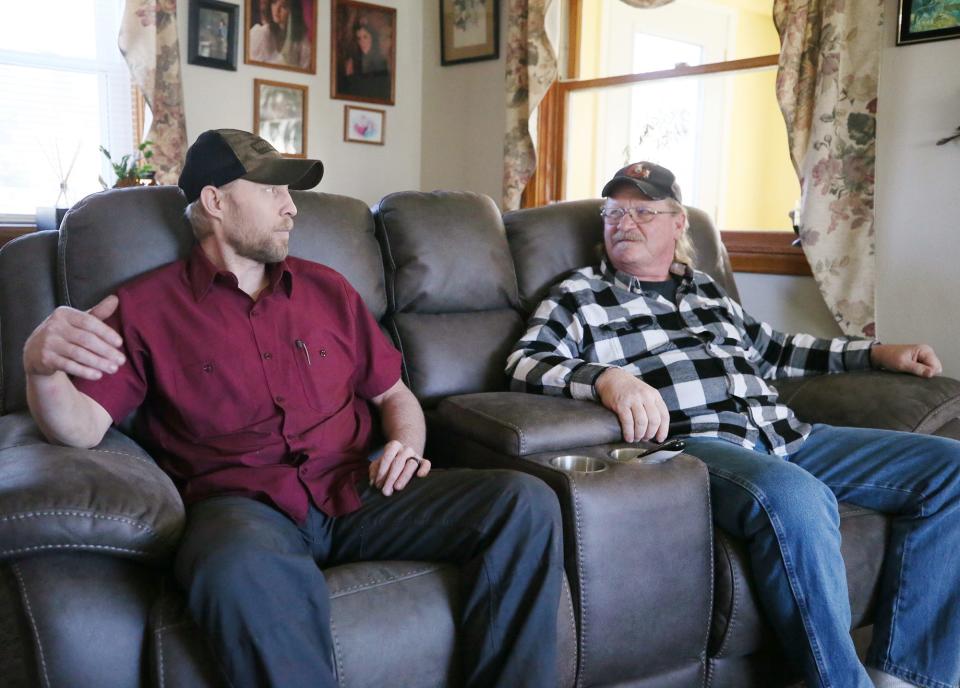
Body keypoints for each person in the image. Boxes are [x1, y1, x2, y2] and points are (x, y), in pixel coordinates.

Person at [23, 129, 563, 688]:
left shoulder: (329, 290)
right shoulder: (144, 309)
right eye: (273, 190)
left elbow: (394, 394)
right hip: (243, 508)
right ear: (215, 202)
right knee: (233, 569)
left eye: (290, 192)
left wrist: (407, 443)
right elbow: (82, 429)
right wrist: (40, 370)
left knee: (523, 501)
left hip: (360, 488)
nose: (291, 206)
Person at [507, 161, 960, 688]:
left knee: (950, 469)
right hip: (698, 445)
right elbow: (524, 362)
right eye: (614, 211)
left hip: (786, 435)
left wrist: (878, 353)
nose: (623, 222)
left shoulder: (705, 290)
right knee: (796, 496)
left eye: (642, 211)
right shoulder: (580, 293)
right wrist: (607, 378)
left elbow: (776, 349)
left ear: (678, 224)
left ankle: (908, 676)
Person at [337, 19, 391, 101]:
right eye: (359, 38)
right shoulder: (355, 61)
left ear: (373, 38)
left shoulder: (380, 63)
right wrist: (348, 76)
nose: (362, 42)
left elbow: (373, 92)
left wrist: (350, 77)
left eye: (365, 37)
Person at [249, 0, 311, 69]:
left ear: (293, 11)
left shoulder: (300, 40)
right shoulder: (260, 34)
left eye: (284, 6)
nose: (276, 10)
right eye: (274, 3)